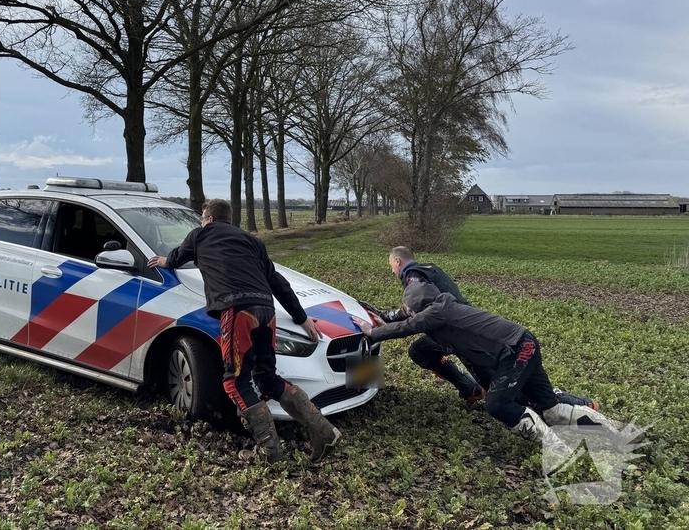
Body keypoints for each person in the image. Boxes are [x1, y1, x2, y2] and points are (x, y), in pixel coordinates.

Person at [147, 199, 339, 464]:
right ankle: (324, 431)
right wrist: (301, 317)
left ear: (209, 219)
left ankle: (270, 452)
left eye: (203, 219)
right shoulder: (251, 240)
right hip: (266, 310)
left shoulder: (200, 234)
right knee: (267, 377)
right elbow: (277, 282)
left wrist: (162, 260)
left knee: (235, 381)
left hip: (238, 311)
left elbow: (177, 258)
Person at [351, 282, 625, 454]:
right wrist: (377, 314)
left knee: (497, 405)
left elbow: (410, 325)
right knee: (549, 407)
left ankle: (555, 447)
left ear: (418, 309)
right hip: (523, 342)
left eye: (409, 309)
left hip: (516, 350)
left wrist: (373, 333)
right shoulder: (440, 304)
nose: (407, 313)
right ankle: (617, 432)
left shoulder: (437, 313)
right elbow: (403, 318)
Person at [371, 246, 599, 411]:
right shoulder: (430, 270)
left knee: (501, 388)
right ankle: (469, 388)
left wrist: (383, 323)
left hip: (459, 333)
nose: (392, 271)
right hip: (462, 325)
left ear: (397, 262)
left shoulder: (413, 279)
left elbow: (416, 316)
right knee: (420, 351)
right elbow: (417, 312)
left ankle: (573, 403)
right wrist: (386, 316)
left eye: (391, 265)